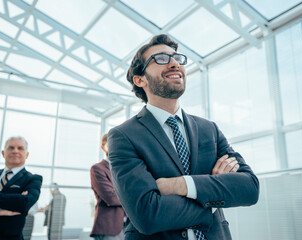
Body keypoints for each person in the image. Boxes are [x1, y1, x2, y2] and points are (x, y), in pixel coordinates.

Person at [107, 34, 259, 240]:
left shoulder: (209, 129)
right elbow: (147, 215)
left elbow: (249, 188)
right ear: (139, 79)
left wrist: (181, 185)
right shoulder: (123, 136)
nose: (174, 64)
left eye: (178, 58)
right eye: (161, 58)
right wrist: (212, 196)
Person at [90, 134, 125, 240]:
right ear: (103, 147)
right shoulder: (97, 169)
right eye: (111, 144)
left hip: (130, 227)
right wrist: (133, 197)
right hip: (110, 226)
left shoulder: (125, 169)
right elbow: (111, 198)